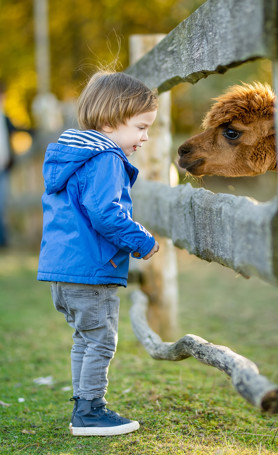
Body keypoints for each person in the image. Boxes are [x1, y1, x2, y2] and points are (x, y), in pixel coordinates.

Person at [37, 71, 160, 436]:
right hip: (90, 270)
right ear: (108, 122)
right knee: (102, 340)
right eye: (140, 127)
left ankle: (83, 404)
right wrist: (142, 241)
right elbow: (105, 212)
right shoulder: (106, 158)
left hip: (63, 271)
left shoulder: (73, 155)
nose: (145, 137)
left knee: (86, 339)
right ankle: (91, 411)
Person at [0, 82, 17, 247]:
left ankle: (2, 240)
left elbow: (16, 130)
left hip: (3, 169)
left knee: (2, 204)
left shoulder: (4, 118)